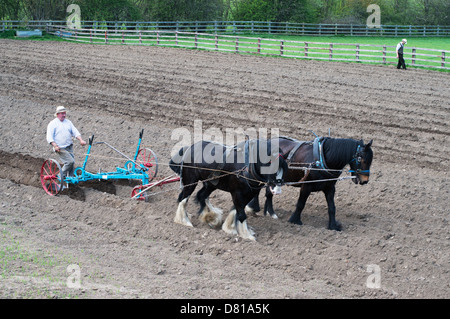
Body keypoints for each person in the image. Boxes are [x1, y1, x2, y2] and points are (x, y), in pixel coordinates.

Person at [46, 106, 86, 179]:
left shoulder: (68, 122)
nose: (64, 115)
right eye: (62, 113)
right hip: (60, 147)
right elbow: (49, 137)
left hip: (69, 146)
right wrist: (55, 146)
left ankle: (70, 179)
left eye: (64, 113)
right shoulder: (52, 124)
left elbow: (75, 131)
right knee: (69, 162)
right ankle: (60, 177)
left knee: (72, 163)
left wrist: (81, 140)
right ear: (57, 114)